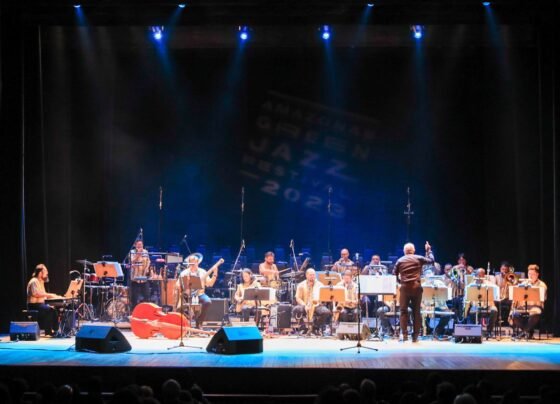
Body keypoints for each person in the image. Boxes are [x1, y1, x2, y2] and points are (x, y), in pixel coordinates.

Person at [393, 241, 434, 342]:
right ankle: (415, 337)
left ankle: (404, 335)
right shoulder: (418, 258)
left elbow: (394, 274)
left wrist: (400, 282)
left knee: (403, 311)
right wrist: (428, 250)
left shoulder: (400, 260)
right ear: (414, 250)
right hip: (416, 287)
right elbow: (431, 261)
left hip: (405, 288)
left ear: (404, 251)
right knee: (416, 312)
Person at [176, 253, 224, 328]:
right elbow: (177, 285)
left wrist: (215, 273)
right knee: (179, 308)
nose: (193, 264)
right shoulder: (184, 273)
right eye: (191, 262)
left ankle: (199, 321)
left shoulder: (203, 272)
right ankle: (185, 323)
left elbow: (210, 284)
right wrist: (184, 286)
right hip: (187, 295)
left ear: (198, 262)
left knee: (207, 301)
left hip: (199, 294)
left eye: (194, 262)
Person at [510, 264, 547, 338]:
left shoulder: (542, 285)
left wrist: (531, 287)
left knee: (536, 313)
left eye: (533, 274)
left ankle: (523, 333)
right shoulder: (524, 283)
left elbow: (542, 298)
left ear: (537, 274)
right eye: (529, 274)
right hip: (524, 306)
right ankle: (528, 331)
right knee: (514, 314)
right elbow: (517, 296)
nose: (530, 276)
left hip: (536, 306)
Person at [293, 268, 331, 335]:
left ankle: (315, 327)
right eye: (310, 275)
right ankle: (303, 328)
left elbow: (323, 297)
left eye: (313, 275)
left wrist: (318, 301)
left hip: (316, 305)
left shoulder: (320, 285)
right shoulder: (301, 285)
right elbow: (298, 298)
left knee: (326, 312)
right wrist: (304, 305)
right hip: (305, 304)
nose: (312, 276)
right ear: (306, 275)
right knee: (296, 310)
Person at [27, 264, 60, 336]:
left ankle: (55, 331)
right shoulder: (34, 281)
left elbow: (43, 295)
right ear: (40, 273)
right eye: (45, 271)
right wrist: (49, 295)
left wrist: (56, 297)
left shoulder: (41, 282)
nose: (47, 273)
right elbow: (35, 293)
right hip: (34, 305)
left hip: (40, 305)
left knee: (53, 309)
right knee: (50, 310)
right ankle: (50, 332)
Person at [465, 268, 498, 337]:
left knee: (494, 310)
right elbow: (467, 296)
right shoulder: (471, 285)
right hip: (476, 305)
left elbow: (496, 291)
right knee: (472, 311)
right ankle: (474, 331)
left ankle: (489, 331)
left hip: (488, 305)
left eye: (481, 275)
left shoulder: (489, 284)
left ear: (484, 276)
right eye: (478, 275)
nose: (479, 277)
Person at [130, 239, 151, 309]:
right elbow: (132, 261)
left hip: (143, 276)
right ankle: (134, 310)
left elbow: (148, 261)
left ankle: (146, 310)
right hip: (135, 277)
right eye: (138, 245)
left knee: (147, 295)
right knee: (134, 297)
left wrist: (147, 268)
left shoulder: (145, 252)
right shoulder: (132, 252)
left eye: (141, 245)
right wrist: (138, 254)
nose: (140, 246)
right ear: (135, 245)